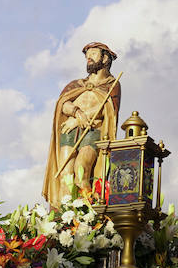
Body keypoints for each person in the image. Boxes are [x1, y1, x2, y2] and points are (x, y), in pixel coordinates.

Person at [43, 42, 122, 207]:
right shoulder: (75, 84)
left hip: (93, 131)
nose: (88, 57)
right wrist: (77, 112)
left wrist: (80, 119)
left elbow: (107, 109)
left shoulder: (112, 85)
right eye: (87, 55)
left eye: (93, 53)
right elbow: (63, 104)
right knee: (66, 173)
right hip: (69, 130)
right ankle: (63, 216)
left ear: (105, 58)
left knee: (81, 171)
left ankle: (87, 214)